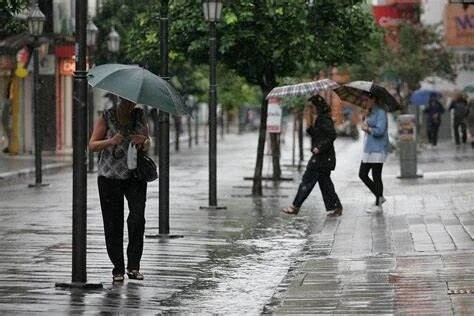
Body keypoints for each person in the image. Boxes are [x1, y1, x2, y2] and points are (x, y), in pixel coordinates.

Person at [89, 97, 151, 282]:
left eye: (132, 102)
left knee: (137, 219)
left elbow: (147, 142)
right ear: (119, 100)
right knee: (113, 223)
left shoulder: (140, 115)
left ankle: (134, 266)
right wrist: (111, 141)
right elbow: (92, 145)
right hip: (109, 177)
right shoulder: (107, 116)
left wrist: (144, 140)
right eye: (126, 102)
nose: (129, 105)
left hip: (135, 176)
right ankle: (118, 268)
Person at [282, 95, 343, 217]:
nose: (311, 109)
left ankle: (295, 206)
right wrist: (309, 127)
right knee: (325, 183)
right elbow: (318, 134)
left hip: (322, 158)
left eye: (312, 107)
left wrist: (319, 148)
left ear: (318, 107)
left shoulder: (324, 119)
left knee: (307, 180)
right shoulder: (321, 118)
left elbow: (332, 136)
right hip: (325, 158)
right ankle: (336, 207)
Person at [359, 92, 390, 214]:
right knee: (362, 174)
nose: (365, 102)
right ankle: (379, 197)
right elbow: (367, 126)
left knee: (376, 175)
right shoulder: (369, 111)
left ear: (374, 99)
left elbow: (381, 130)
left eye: (366, 100)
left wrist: (367, 128)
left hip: (378, 149)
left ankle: (378, 202)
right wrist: (364, 118)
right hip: (369, 148)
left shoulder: (381, 112)